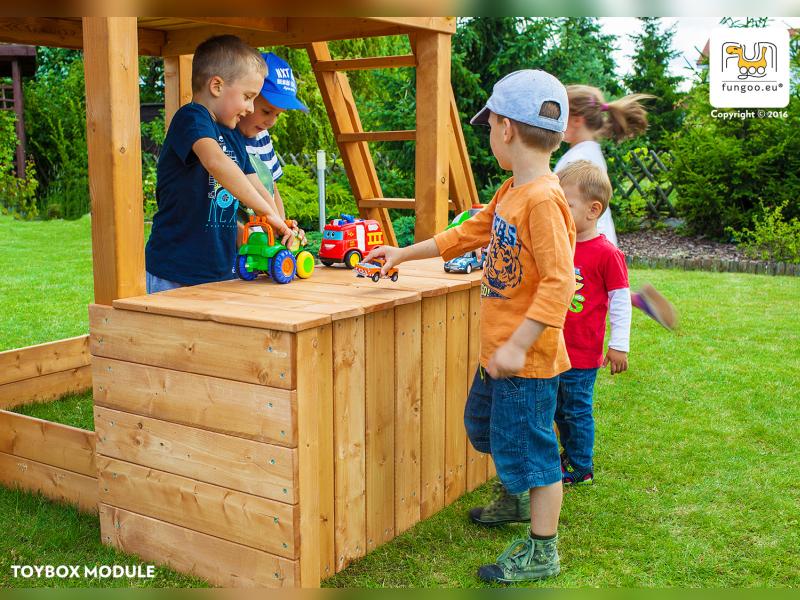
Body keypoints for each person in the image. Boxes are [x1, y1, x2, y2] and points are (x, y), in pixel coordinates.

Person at [365, 70, 575, 583]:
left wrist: (518, 346)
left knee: (534, 455)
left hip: (524, 363)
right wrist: (402, 255)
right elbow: (465, 236)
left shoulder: (544, 200)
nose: (488, 134)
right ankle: (514, 496)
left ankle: (542, 551)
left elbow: (559, 283)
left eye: (488, 126)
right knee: (485, 432)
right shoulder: (512, 192)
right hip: (499, 357)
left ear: (504, 128)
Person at [145, 35, 296, 294]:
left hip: (220, 268)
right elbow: (216, 162)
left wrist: (278, 223)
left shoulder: (233, 134)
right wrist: (267, 213)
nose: (250, 108)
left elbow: (255, 183)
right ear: (217, 86)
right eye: (248, 97)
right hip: (175, 269)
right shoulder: (191, 118)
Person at [555, 85, 677, 330]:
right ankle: (639, 300)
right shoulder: (589, 152)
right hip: (597, 235)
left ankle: (579, 352)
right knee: (599, 293)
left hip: (586, 239)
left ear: (576, 121)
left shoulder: (577, 159)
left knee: (584, 299)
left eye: (561, 116)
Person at [556, 160, 631, 486]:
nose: (559, 210)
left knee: (575, 410)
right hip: (554, 347)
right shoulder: (561, 245)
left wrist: (619, 345)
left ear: (593, 209)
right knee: (558, 410)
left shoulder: (606, 254)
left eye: (566, 204)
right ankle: (568, 454)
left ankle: (580, 466)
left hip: (583, 354)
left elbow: (621, 302)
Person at [236, 52, 309, 225]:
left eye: (278, 115)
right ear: (248, 96)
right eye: (266, 112)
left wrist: (282, 227)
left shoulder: (262, 136)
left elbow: (272, 190)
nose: (271, 121)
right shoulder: (224, 139)